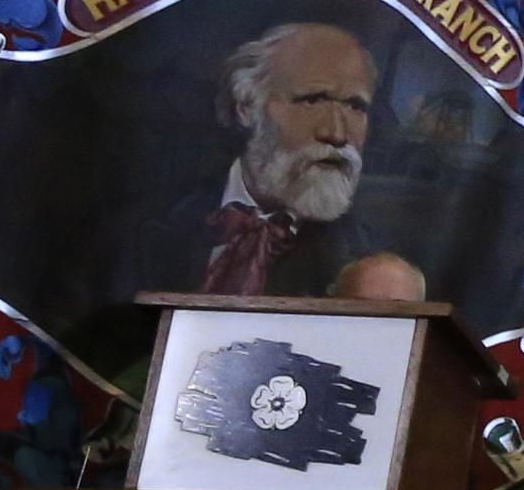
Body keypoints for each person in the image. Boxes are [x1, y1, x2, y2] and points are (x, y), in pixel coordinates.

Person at [135, 20, 415, 300]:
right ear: (246, 107)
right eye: (312, 100)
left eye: (356, 106)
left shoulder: (376, 266)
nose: (336, 133)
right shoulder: (137, 226)